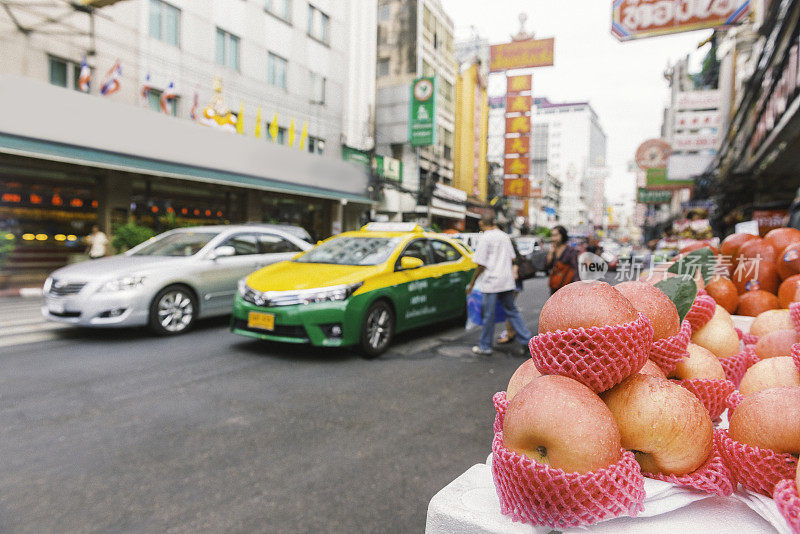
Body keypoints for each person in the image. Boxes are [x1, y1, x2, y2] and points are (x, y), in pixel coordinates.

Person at [466, 215, 533, 356]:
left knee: (488, 315)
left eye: (481, 227)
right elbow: (513, 257)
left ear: (483, 224)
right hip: (507, 281)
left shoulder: (486, 237)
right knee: (512, 311)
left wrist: (472, 283)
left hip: (492, 282)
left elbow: (481, 264)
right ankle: (527, 342)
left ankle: (485, 346)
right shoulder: (504, 236)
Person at [547, 225, 579, 295]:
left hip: (568, 287)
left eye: (556, 235)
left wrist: (577, 286)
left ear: (562, 235)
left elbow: (575, 269)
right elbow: (547, 266)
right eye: (552, 235)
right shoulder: (553, 250)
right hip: (555, 286)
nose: (553, 238)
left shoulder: (570, 251)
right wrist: (551, 253)